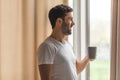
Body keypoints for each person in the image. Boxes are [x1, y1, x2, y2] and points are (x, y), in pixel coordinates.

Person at [38, 4, 92, 80]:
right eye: (70, 19)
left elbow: (75, 70)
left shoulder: (68, 45)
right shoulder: (47, 47)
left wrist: (88, 58)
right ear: (59, 21)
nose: (73, 23)